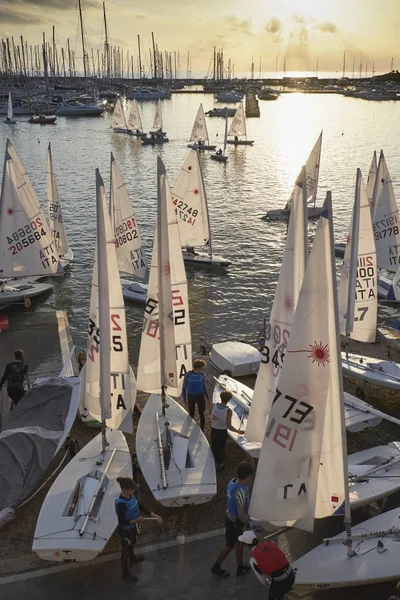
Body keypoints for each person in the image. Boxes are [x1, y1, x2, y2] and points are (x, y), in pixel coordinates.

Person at [115, 477, 163, 582]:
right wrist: (136, 520)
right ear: (125, 490)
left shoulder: (131, 496)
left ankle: (133, 559)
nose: (134, 490)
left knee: (133, 542)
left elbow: (141, 507)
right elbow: (122, 522)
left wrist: (155, 516)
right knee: (126, 550)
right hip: (125, 530)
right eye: (132, 489)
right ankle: (125, 574)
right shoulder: (121, 504)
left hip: (132, 527)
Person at [211, 461, 254, 578]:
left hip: (231, 518)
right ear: (248, 476)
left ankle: (240, 567)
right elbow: (240, 513)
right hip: (235, 522)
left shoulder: (232, 482)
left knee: (240, 543)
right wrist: (248, 523)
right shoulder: (241, 491)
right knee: (229, 546)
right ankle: (216, 567)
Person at [238, 531, 295, 600]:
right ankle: (284, 594)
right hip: (291, 574)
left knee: (274, 595)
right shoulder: (270, 543)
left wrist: (271, 586)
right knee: (282, 590)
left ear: (246, 545)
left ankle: (283, 594)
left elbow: (263, 580)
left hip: (281, 581)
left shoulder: (253, 560)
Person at [211, 390, 244, 472]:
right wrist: (238, 431)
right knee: (221, 447)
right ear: (229, 400)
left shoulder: (213, 405)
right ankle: (220, 463)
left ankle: (219, 461)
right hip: (222, 432)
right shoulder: (228, 411)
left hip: (214, 430)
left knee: (215, 448)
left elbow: (211, 415)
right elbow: (229, 426)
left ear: (221, 397)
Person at [181, 359, 210, 431]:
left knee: (202, 414)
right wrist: (185, 401)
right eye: (202, 368)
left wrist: (207, 398)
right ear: (198, 368)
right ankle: (190, 430)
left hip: (200, 396)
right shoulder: (188, 374)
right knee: (191, 414)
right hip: (191, 397)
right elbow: (184, 388)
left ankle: (202, 429)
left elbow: (204, 386)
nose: (203, 369)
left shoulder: (202, 374)